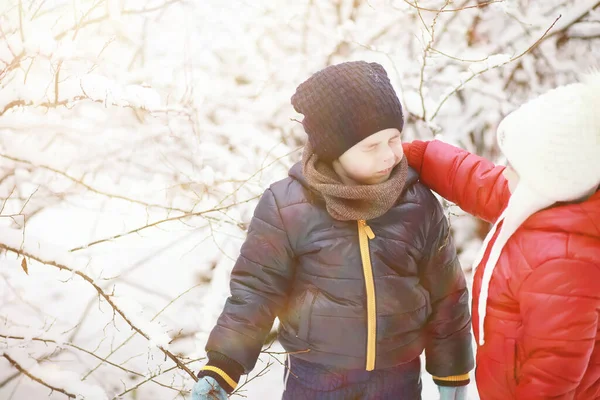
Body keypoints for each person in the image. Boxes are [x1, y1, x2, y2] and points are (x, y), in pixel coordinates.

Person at [191, 61, 474, 400]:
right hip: (316, 376)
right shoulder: (288, 205)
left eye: (394, 139)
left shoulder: (417, 203)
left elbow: (448, 294)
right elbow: (257, 290)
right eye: (371, 146)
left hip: (397, 376)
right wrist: (224, 365)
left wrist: (452, 372)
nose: (389, 155)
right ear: (334, 150)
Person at [401, 73, 600, 399]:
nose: (503, 171)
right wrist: (423, 156)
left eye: (514, 167)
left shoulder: (565, 265)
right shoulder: (550, 201)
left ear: (548, 180)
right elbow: (479, 181)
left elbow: (551, 376)